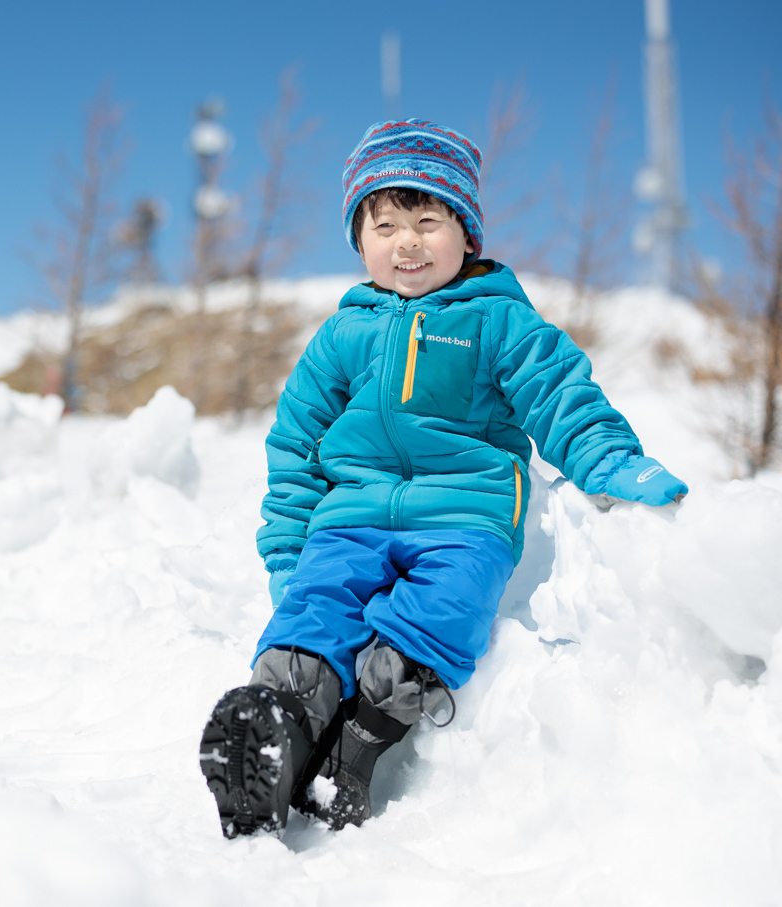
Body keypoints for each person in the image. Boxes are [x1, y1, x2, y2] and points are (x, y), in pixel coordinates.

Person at [198, 120, 688, 839]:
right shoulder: (342, 335)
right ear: (359, 241)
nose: (406, 242)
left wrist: (608, 461)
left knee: (449, 603)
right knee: (315, 606)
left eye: (428, 221)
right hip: (350, 515)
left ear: (467, 236)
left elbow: (560, 397)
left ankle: (366, 733)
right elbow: (297, 445)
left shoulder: (499, 322)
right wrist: (287, 550)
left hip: (465, 516)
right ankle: (278, 727)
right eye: (385, 223)